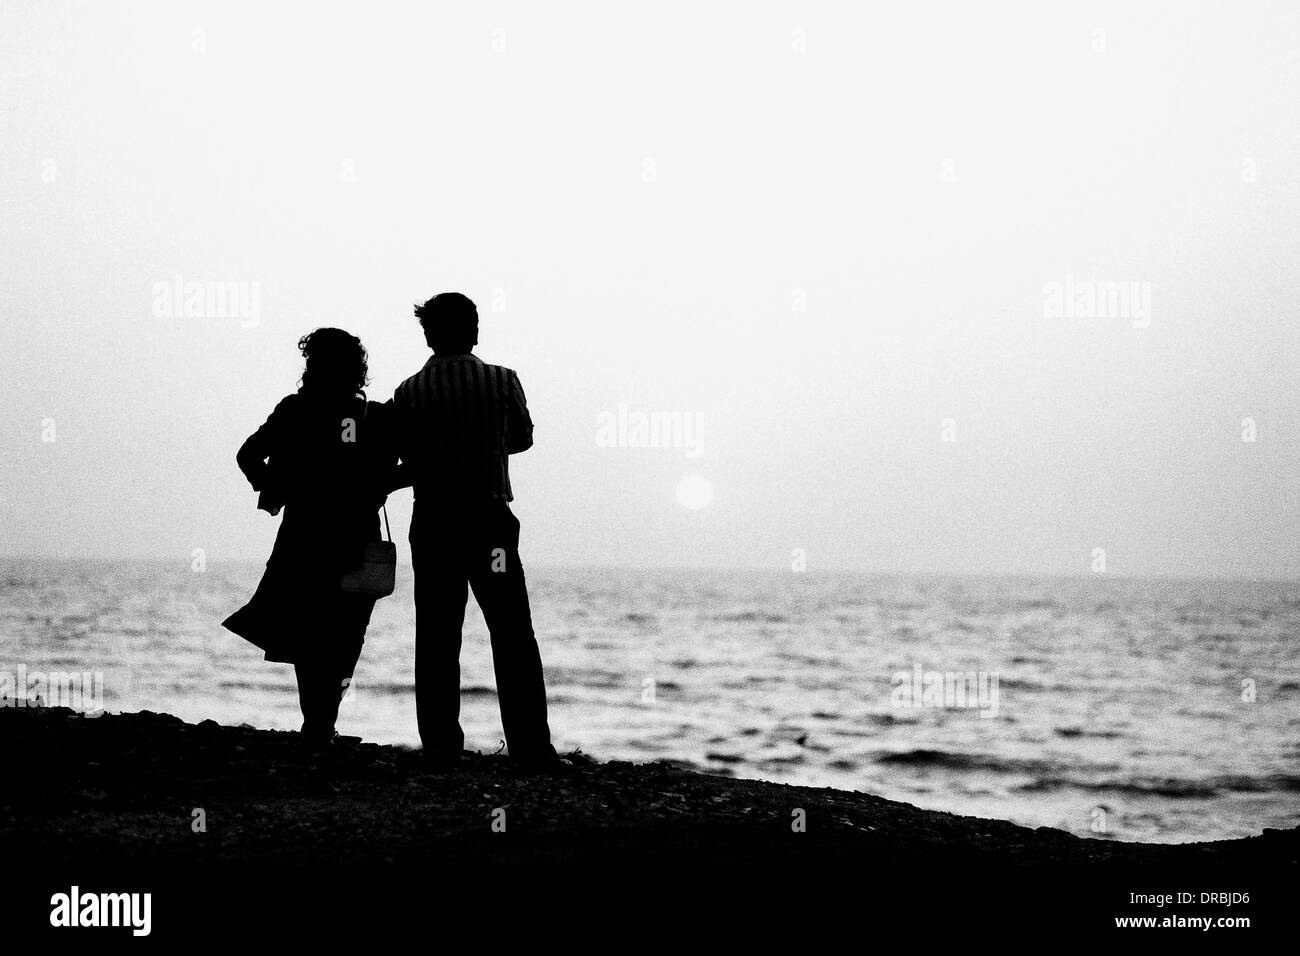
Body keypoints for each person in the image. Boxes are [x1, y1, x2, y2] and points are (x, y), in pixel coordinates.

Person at [392, 292, 558, 769]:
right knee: (512, 635)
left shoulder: (408, 392)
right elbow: (523, 438)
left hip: (433, 521)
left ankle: (442, 748)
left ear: (429, 334)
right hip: (488, 520)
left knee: (438, 636)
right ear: (475, 329)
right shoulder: (502, 380)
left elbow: (405, 454)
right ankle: (530, 748)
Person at [223, 328, 398, 745]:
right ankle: (323, 723)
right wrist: (375, 488)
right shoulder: (370, 417)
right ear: (358, 370)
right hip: (356, 535)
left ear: (312, 365)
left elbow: (247, 454)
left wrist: (275, 488)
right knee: (346, 632)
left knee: (308, 631)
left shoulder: (293, 411)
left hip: (303, 535)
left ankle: (316, 724)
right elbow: (394, 473)